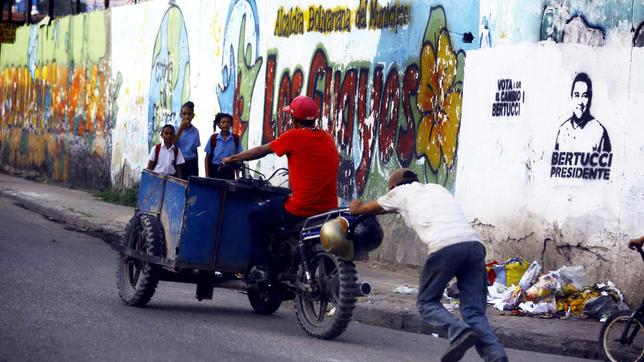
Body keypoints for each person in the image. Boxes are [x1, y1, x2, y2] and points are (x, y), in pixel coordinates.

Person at [348, 168, 508, 362]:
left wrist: (356, 208)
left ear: (393, 188)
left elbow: (371, 208)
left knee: (426, 302)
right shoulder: (436, 188)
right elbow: (384, 209)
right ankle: (497, 357)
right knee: (474, 313)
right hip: (474, 247)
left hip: (444, 247)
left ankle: (459, 332)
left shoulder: (399, 193)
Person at [222, 95, 339, 281]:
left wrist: (233, 158)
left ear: (293, 119)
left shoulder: (293, 136)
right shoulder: (327, 138)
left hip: (301, 208)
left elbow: (261, 150)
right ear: (314, 119)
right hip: (328, 209)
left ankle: (262, 268)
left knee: (255, 215)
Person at [555, 73, 611, 153]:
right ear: (572, 97)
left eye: (584, 96)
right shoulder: (562, 130)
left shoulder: (599, 131)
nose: (580, 102)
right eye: (577, 95)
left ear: (590, 99)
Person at [204, 112, 243, 180]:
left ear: (231, 124)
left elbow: (238, 158)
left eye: (228, 122)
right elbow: (207, 158)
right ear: (219, 124)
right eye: (223, 122)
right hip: (215, 170)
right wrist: (207, 175)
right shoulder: (214, 138)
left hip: (229, 170)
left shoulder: (235, 139)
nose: (225, 124)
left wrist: (238, 176)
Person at [174, 101, 201, 180]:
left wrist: (196, 168)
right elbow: (172, 145)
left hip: (191, 164)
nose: (187, 116)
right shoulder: (175, 129)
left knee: (190, 188)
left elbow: (195, 151)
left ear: (193, 116)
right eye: (184, 114)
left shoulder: (195, 131)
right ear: (180, 115)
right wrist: (181, 128)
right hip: (178, 164)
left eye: (189, 114)